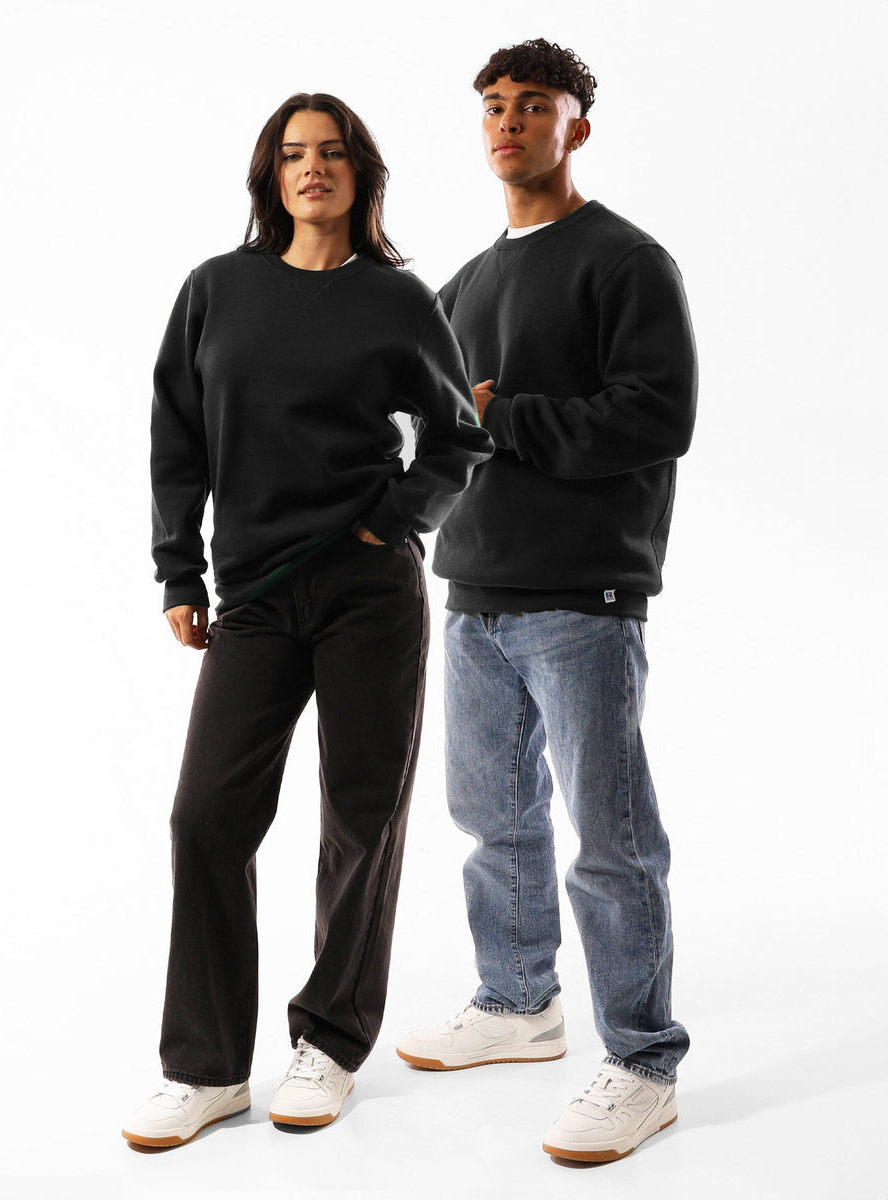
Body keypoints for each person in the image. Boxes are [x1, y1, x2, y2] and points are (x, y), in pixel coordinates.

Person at [122, 92, 492, 1148]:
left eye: (330, 152)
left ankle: (328, 1044)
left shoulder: (396, 299)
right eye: (293, 154)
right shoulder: (216, 290)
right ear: (270, 176)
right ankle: (203, 1069)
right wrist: (178, 571)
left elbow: (458, 438)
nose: (312, 168)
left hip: (367, 590)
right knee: (206, 818)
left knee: (360, 818)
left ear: (359, 173)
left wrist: (392, 521)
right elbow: (176, 437)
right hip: (253, 596)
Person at [395, 39, 697, 1164]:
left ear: (577, 125)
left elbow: (657, 416)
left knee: (609, 842)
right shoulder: (461, 285)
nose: (508, 121)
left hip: (582, 592)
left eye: (533, 104)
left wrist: (503, 417)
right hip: (472, 589)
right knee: (493, 819)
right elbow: (430, 432)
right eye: (492, 105)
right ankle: (518, 1002)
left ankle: (643, 1062)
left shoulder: (625, 260)